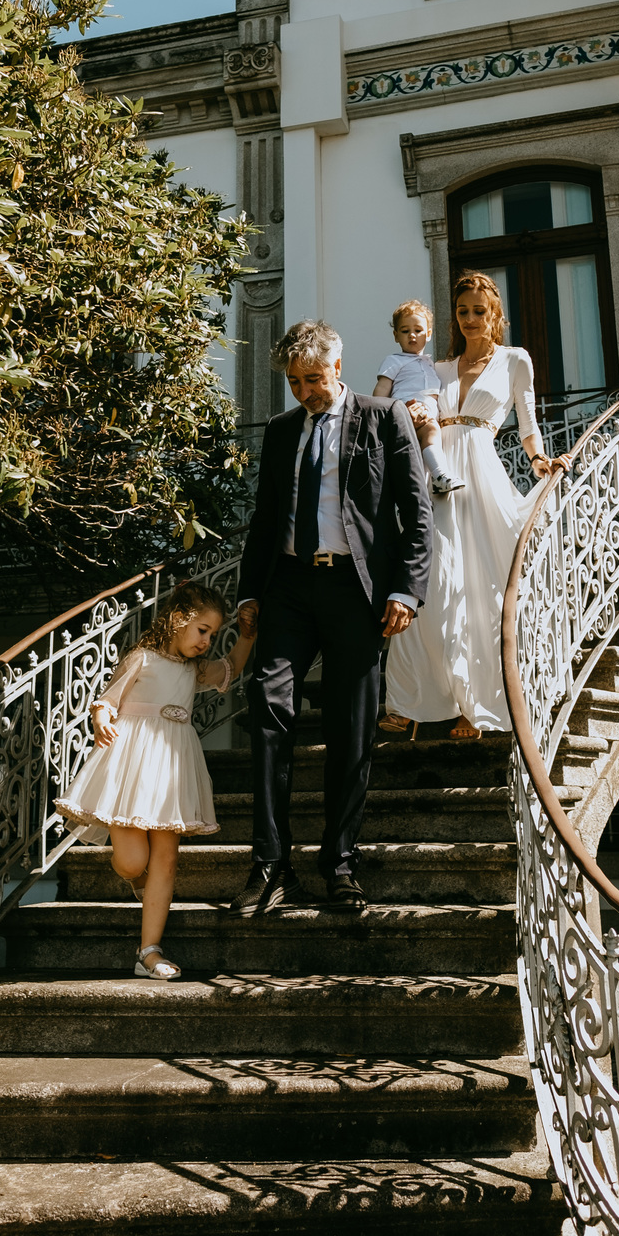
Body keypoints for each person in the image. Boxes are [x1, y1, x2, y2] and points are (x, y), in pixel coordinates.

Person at [230, 319, 433, 916]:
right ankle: (270, 865)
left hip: (355, 589)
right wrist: (249, 593)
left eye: (313, 379)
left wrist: (407, 591)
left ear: (337, 368)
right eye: (294, 382)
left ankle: (340, 862)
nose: (304, 392)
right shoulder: (281, 430)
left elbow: (416, 513)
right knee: (268, 706)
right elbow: (266, 519)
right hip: (289, 586)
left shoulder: (383, 418)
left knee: (352, 726)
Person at [381, 271, 566, 741]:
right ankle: (410, 699)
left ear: (495, 313)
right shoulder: (437, 368)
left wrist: (539, 460)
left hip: (481, 475)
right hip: (439, 477)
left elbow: (528, 423)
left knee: (484, 588)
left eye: (478, 311)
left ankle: (477, 705)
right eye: (462, 311)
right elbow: (408, 404)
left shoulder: (514, 360)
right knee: (433, 584)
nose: (469, 319)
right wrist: (412, 412)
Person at [56, 581, 256, 980]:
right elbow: (108, 699)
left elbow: (230, 668)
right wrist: (101, 719)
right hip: (131, 763)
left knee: (166, 857)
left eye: (212, 635)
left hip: (172, 765)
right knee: (132, 861)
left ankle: (149, 951)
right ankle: (137, 879)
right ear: (178, 619)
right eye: (202, 630)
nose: (207, 642)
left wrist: (248, 637)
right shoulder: (142, 658)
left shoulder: (195, 669)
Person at [373, 299, 465, 496]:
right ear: (396, 335)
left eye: (418, 330)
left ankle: (421, 493)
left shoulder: (432, 365)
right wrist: (386, 418)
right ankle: (440, 476)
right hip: (406, 413)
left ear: (429, 334)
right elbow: (381, 391)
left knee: (421, 456)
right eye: (405, 331)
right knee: (431, 431)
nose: (412, 335)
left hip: (427, 415)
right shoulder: (394, 360)